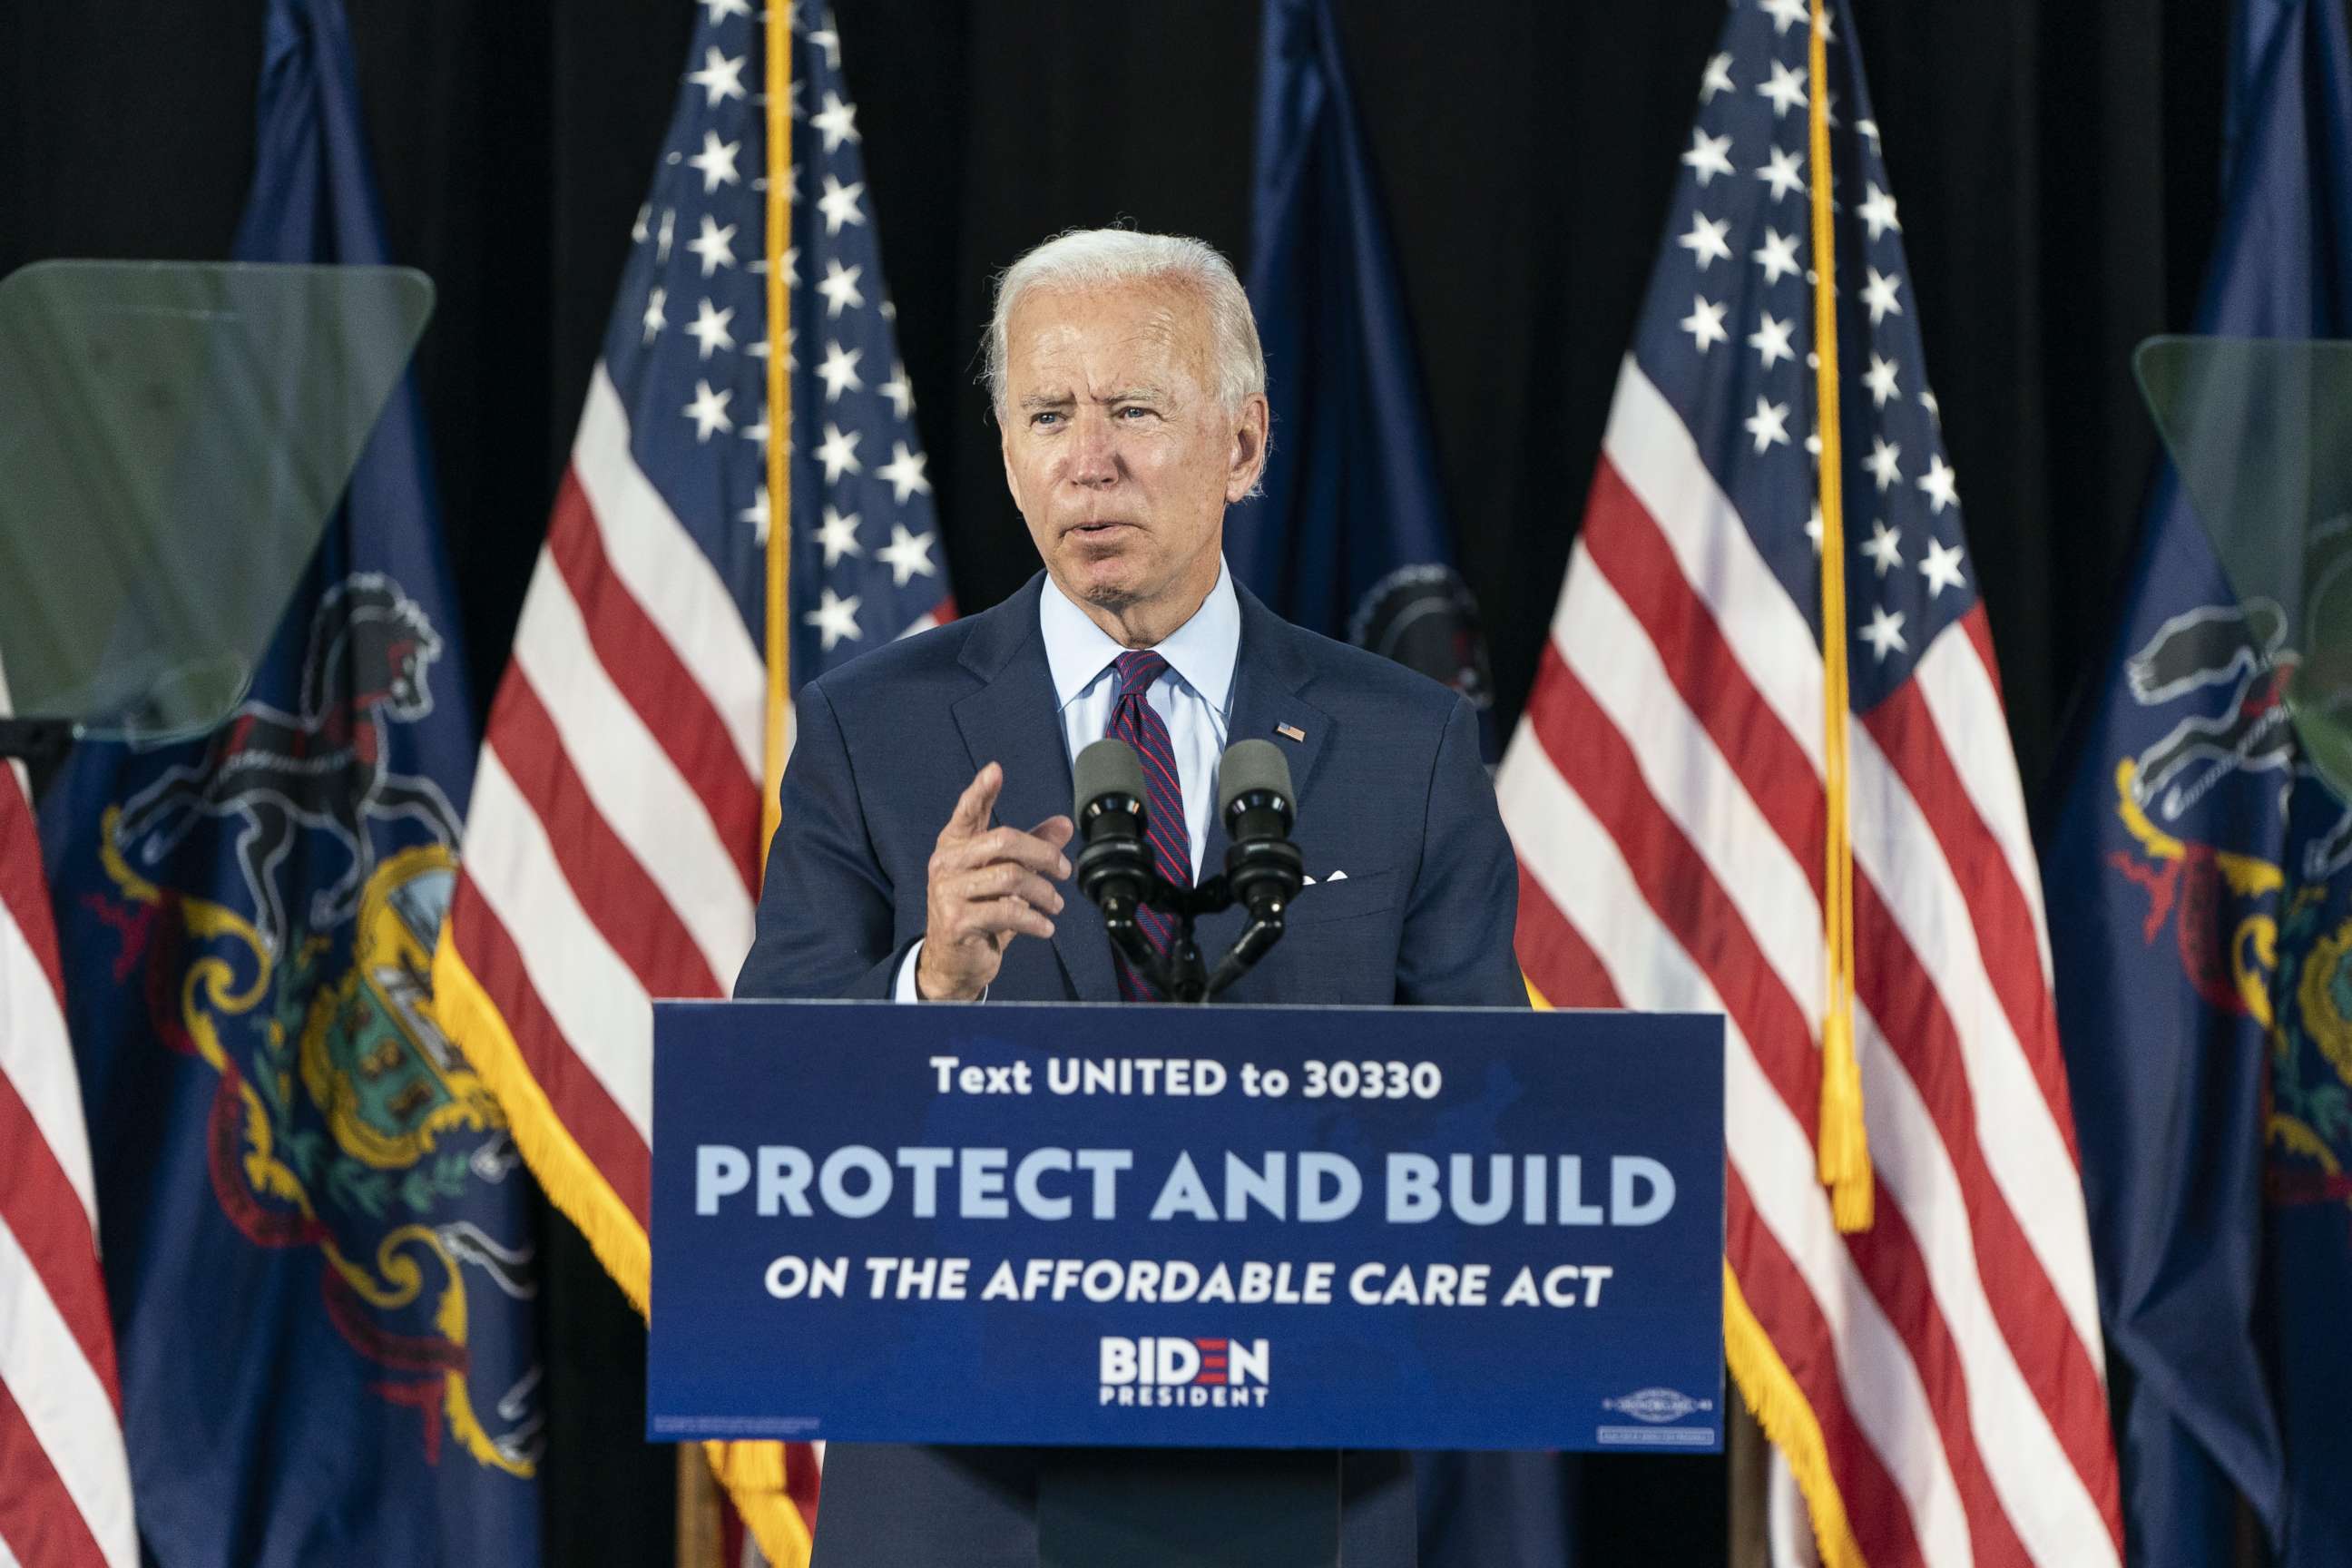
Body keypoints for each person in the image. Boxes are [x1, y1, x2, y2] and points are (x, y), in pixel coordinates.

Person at [737, 228, 1524, 1568]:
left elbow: (1490, 1120)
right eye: (1047, 414)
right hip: (961, 1496)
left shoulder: (1410, 745)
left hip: (1298, 1480)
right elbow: (762, 1114)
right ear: (1005, 446)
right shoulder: (873, 731)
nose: (1086, 457)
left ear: (1244, 442)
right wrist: (931, 985)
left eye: (1135, 410)